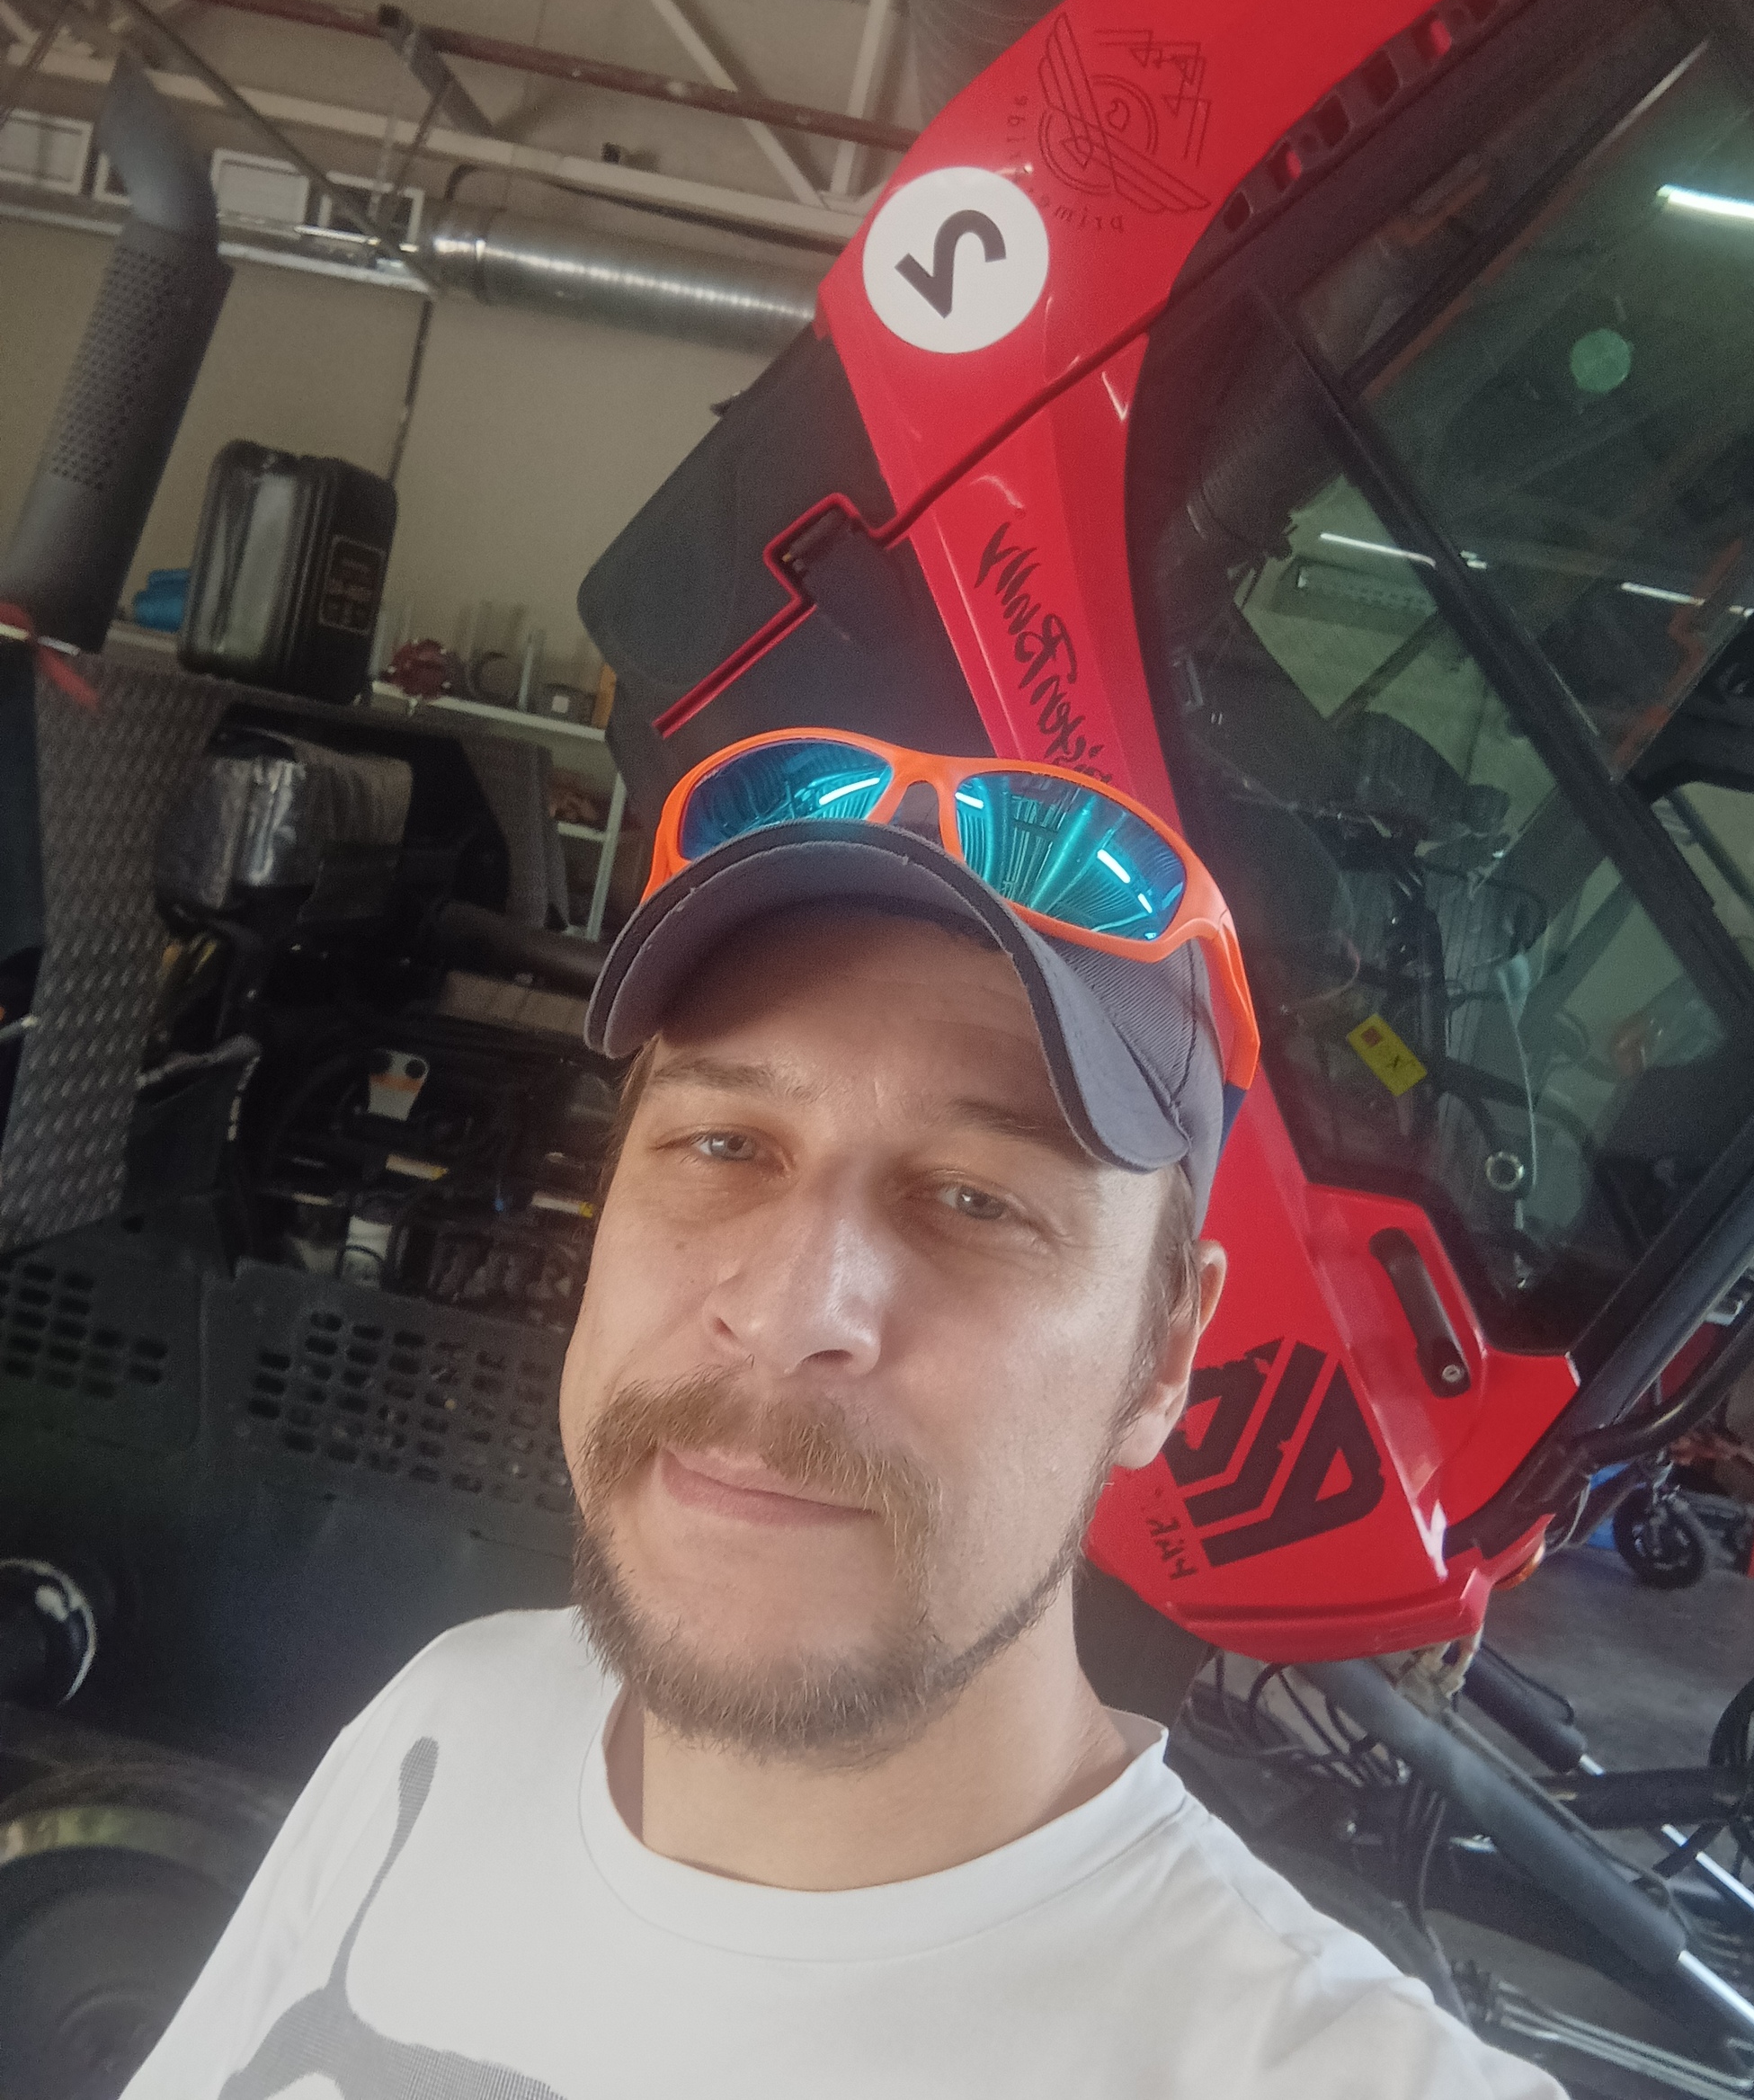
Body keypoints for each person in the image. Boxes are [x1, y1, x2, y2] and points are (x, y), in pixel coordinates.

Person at [126, 731, 1563, 2099]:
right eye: (723, 1144)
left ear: (1161, 1355)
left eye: (975, 1200)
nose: (790, 1307)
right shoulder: (449, 1717)